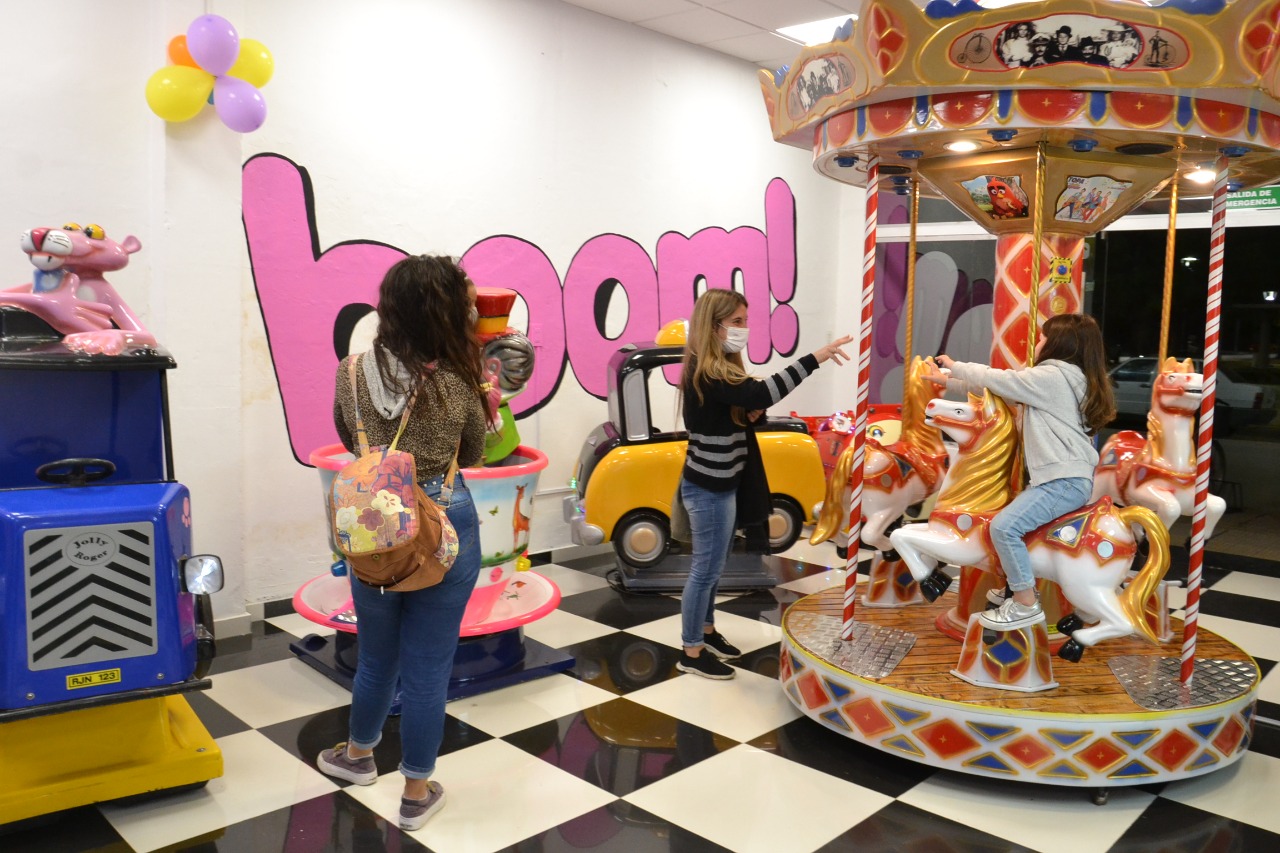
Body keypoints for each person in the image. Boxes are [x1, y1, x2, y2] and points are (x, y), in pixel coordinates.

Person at [318, 254, 490, 830]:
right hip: (444, 521)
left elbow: (351, 439)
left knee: (376, 654)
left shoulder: (350, 372)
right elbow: (473, 453)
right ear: (446, 311)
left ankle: (358, 756)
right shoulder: (459, 379)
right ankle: (416, 791)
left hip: (374, 523)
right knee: (428, 666)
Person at [676, 288, 853, 679]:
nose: (744, 328)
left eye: (745, 320)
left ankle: (706, 632)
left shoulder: (721, 370)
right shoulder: (708, 372)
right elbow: (761, 391)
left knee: (714, 567)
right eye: (736, 322)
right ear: (714, 326)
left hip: (724, 483)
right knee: (704, 571)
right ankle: (691, 651)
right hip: (708, 489)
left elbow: (735, 415)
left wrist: (750, 413)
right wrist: (816, 358)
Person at [925, 313, 1115, 632]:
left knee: (1003, 528)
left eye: (1042, 338)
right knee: (1013, 525)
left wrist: (955, 366)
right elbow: (998, 390)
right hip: (1064, 478)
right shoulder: (1069, 379)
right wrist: (948, 383)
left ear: (1059, 344)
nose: (1037, 343)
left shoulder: (1052, 376)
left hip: (1061, 481)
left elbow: (999, 379)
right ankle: (1016, 588)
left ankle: (1025, 602)